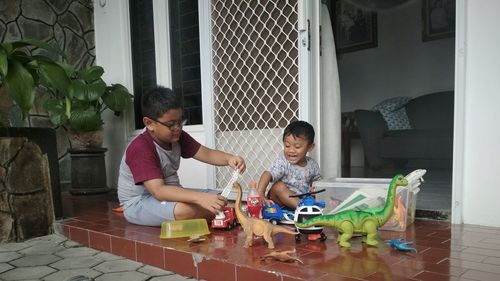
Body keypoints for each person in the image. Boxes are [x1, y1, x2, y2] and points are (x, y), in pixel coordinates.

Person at [117, 86, 246, 226]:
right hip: (139, 203)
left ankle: (224, 213)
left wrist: (229, 159)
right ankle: (228, 214)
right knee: (186, 210)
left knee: (221, 198)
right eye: (171, 124)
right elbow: (158, 191)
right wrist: (201, 198)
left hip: (171, 194)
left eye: (180, 122)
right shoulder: (141, 148)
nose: (177, 128)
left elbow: (207, 153)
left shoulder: (177, 136)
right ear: (149, 123)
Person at [257, 120, 321, 210]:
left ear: (310, 147)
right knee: (278, 186)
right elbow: (267, 174)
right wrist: (260, 193)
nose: (291, 150)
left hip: (302, 199)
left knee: (318, 193)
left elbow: (318, 183)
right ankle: (303, 208)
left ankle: (304, 207)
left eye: (297, 147)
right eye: (287, 146)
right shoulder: (283, 162)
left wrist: (315, 189)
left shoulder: (313, 165)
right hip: (279, 202)